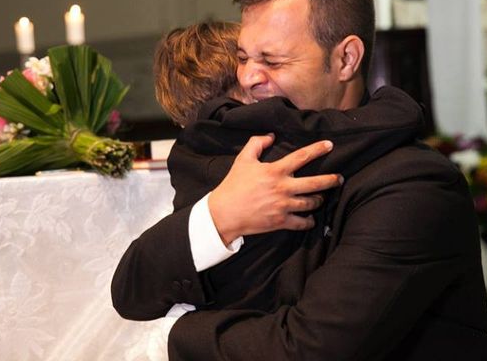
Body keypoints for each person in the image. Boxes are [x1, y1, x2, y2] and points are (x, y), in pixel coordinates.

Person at [113, 0, 487, 360]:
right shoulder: (252, 153)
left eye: (273, 60)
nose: (247, 77)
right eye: (243, 57)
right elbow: (132, 292)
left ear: (346, 59)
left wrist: (177, 333)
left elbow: (310, 350)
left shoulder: (414, 182)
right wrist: (219, 215)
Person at [123, 22, 422, 316]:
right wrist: (392, 103)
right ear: (247, 85)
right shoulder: (265, 139)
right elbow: (343, 136)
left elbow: (131, 289)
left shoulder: (186, 155)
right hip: (282, 318)